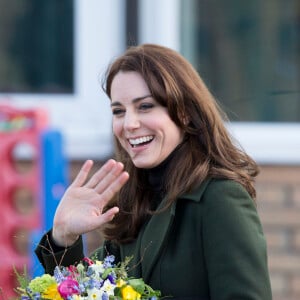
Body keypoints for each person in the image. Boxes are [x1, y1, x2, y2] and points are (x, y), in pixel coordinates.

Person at [36, 44, 272, 299]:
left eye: (145, 106)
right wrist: (64, 236)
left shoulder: (220, 197)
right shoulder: (132, 200)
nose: (129, 124)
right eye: (118, 111)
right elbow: (88, 291)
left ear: (182, 112)